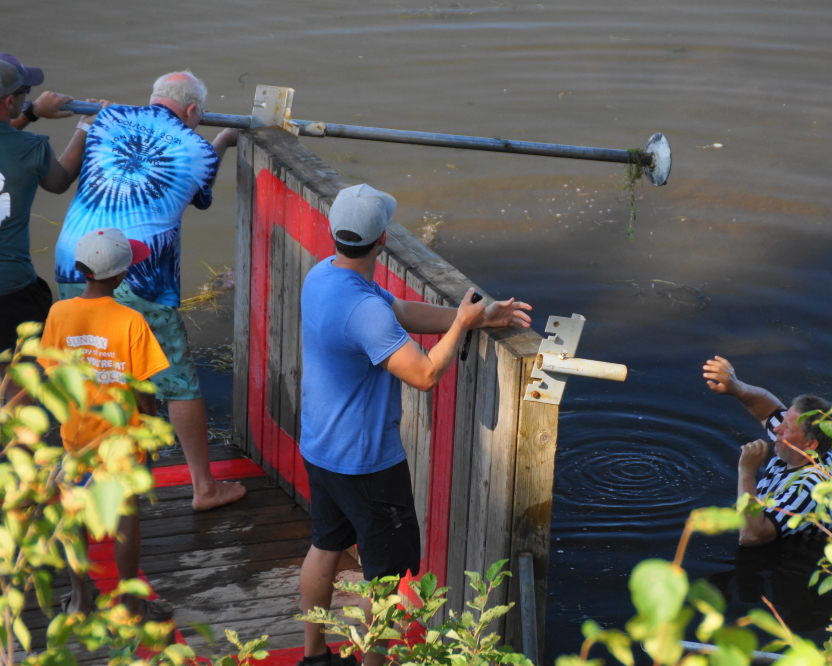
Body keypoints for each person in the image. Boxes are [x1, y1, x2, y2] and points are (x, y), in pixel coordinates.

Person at [297, 184, 532, 666]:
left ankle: (314, 655)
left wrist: (479, 316)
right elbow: (425, 374)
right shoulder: (363, 310)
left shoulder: (324, 277)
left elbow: (399, 313)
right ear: (382, 238)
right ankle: (374, 663)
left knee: (325, 546)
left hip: (321, 447)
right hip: (366, 464)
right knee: (386, 575)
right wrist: (461, 328)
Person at [53, 71, 245, 511]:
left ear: (154, 97)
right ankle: (204, 487)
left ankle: (92, 464)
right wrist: (225, 140)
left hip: (74, 259)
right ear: (195, 111)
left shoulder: (107, 118)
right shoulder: (199, 148)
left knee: (95, 362)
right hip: (139, 274)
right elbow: (199, 195)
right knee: (177, 380)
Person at [40, 228, 172, 621]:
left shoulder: (58, 313)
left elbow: (51, 374)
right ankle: (130, 604)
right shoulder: (131, 321)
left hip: (76, 438)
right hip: (122, 443)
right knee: (125, 519)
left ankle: (80, 600)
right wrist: (150, 428)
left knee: (74, 516)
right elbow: (144, 391)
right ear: (119, 277)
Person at [0, 56, 103, 402]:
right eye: (24, 93)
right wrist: (86, 126)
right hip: (11, 288)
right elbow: (58, 182)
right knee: (20, 378)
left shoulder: (23, 132)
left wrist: (30, 113)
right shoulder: (32, 148)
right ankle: (13, 448)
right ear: (9, 101)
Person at [702, 356, 832, 546]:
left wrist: (746, 472)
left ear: (810, 445)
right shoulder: (806, 448)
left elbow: (751, 536)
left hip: (790, 558)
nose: (777, 428)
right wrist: (737, 388)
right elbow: (769, 410)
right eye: (784, 420)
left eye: (787, 427)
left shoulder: (809, 490)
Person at [0, 53, 77, 132]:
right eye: (26, 89)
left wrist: (31, 114)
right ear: (10, 100)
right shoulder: (36, 143)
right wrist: (84, 126)